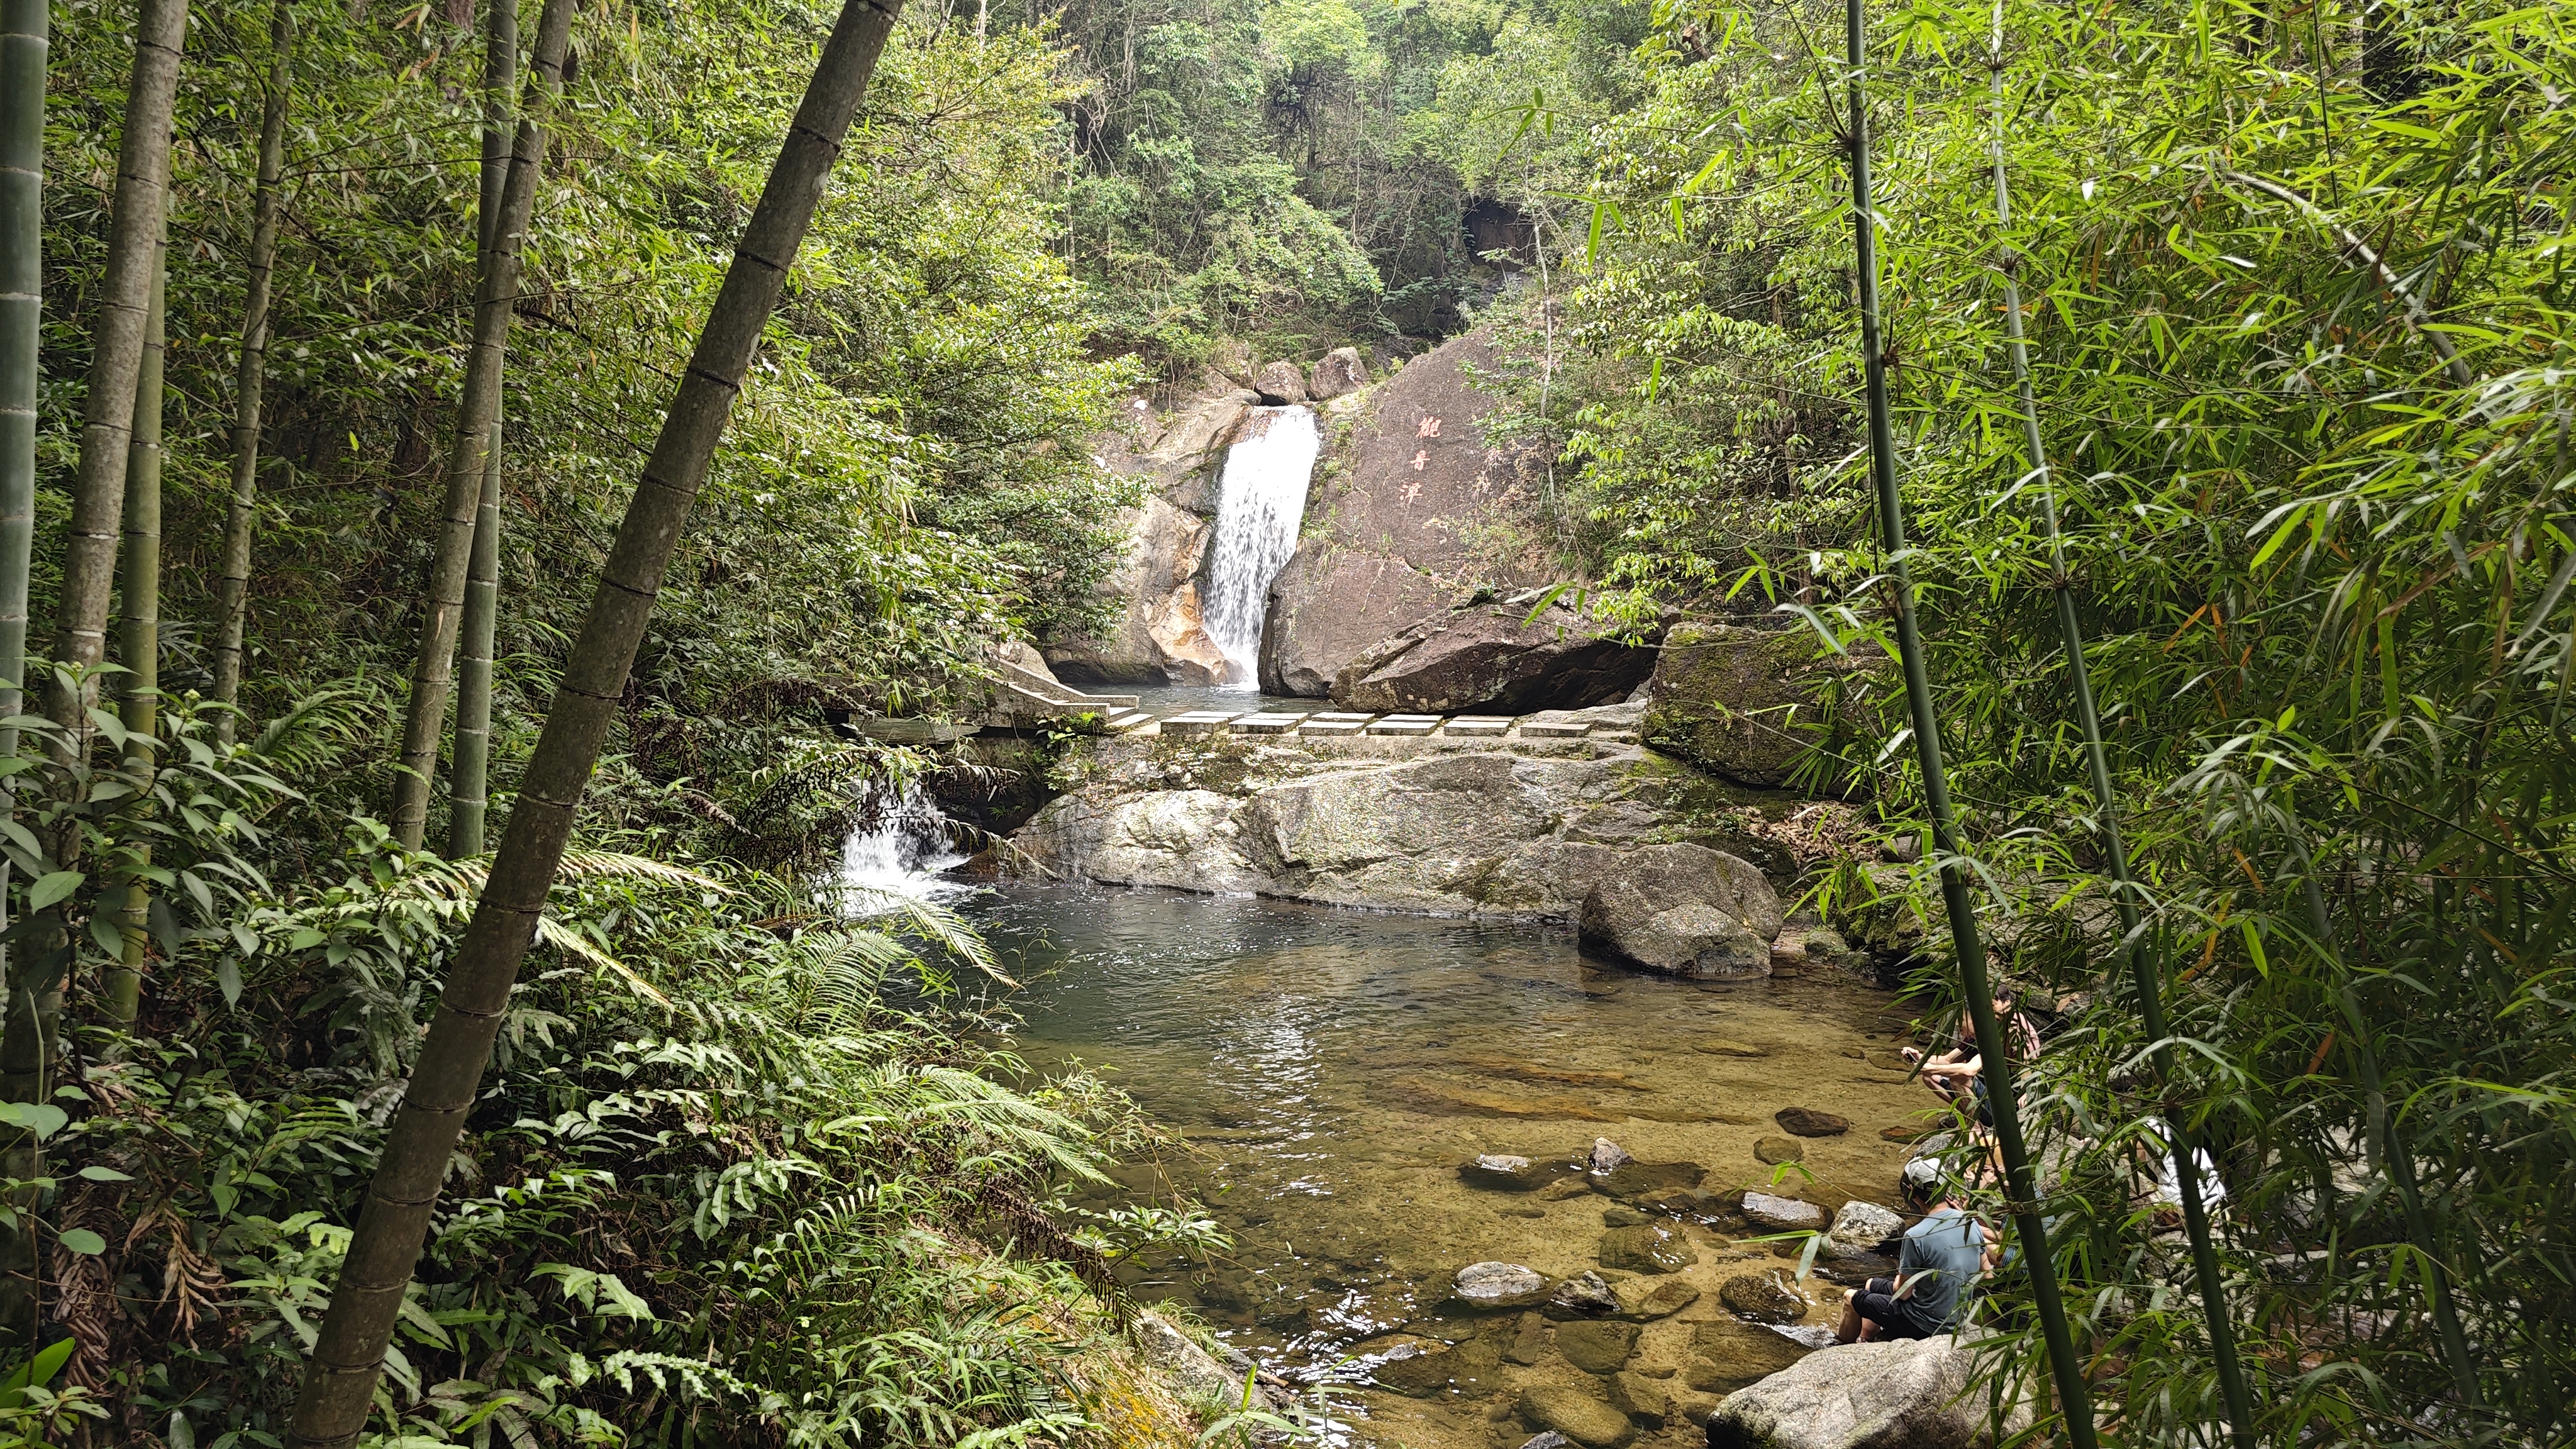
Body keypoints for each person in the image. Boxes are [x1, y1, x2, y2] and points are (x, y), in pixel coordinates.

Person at [1836, 1192, 1991, 1343]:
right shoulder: (1969, 1220)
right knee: (1870, 1284)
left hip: (1925, 1325)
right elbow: (1987, 1276)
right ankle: (1866, 1339)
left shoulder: (1916, 1235)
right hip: (1957, 1318)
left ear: (1913, 1195)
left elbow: (1903, 1294)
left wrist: (1899, 1279)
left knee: (1850, 1297)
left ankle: (1842, 1348)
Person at [1899, 987, 2043, 1125]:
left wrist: (2026, 1092)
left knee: (1959, 1078)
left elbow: (2027, 1061)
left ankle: (1975, 1126)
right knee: (1930, 1077)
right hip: (1993, 1094)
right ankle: (1969, 1119)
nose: (1961, 1033)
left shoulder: (2009, 1027)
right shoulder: (1978, 1034)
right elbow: (1947, 1060)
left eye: (1961, 1026)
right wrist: (1920, 1057)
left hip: (2009, 1103)